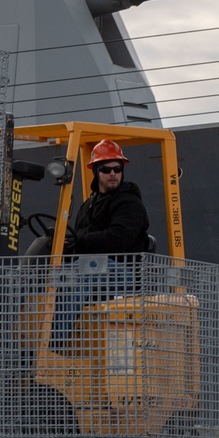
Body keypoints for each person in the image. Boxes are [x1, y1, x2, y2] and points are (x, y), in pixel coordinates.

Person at [51, 139, 150, 346]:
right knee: (48, 275)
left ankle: (54, 345)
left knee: (80, 273)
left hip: (123, 272)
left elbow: (117, 239)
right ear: (96, 171)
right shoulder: (88, 205)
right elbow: (80, 240)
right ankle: (30, 340)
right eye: (106, 169)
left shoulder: (129, 203)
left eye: (117, 168)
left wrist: (78, 242)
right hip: (97, 268)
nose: (113, 173)